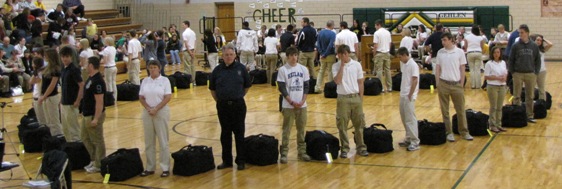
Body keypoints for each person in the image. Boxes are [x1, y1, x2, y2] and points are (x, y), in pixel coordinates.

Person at [209, 44, 251, 171]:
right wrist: (220, 100)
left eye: (231, 54)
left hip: (238, 105)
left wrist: (237, 96)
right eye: (226, 55)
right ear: (222, 56)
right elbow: (212, 89)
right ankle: (227, 161)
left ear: (235, 55)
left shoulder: (241, 69)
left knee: (239, 133)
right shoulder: (217, 70)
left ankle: (241, 161)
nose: (229, 57)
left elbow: (247, 86)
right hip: (222, 106)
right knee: (225, 134)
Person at [435, 32, 473, 142]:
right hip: (443, 84)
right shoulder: (440, 52)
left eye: (445, 40)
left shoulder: (459, 52)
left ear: (451, 40)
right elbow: (438, 68)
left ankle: (464, 131)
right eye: (442, 40)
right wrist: (438, 82)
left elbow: (462, 68)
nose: (443, 42)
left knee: (460, 109)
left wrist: (461, 84)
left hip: (456, 84)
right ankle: (448, 132)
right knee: (445, 110)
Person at [332, 44, 369, 158]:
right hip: (343, 98)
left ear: (347, 54)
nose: (340, 57)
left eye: (342, 55)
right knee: (342, 124)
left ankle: (361, 147)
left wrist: (360, 98)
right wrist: (342, 66)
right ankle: (344, 148)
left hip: (355, 97)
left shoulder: (357, 65)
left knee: (359, 124)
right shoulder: (335, 66)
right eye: (338, 55)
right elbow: (337, 81)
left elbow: (360, 82)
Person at [277, 46, 311, 163]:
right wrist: (291, 101)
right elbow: (281, 88)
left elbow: (306, 86)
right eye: (291, 56)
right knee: (287, 130)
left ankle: (302, 151)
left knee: (301, 129)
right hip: (288, 106)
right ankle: (284, 152)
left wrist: (302, 100)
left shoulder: (304, 69)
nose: (294, 58)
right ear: (287, 57)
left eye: (295, 55)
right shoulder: (283, 70)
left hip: (302, 105)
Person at [139, 60, 172, 177]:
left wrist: (156, 108)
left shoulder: (164, 81)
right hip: (147, 112)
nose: (152, 69)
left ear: (159, 68)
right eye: (150, 67)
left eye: (154, 67)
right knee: (149, 141)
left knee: (163, 140)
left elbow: (168, 96)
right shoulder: (145, 81)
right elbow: (141, 97)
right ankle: (150, 167)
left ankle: (165, 167)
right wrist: (148, 108)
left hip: (161, 111)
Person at [509, 24, 541, 123]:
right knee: (516, 95)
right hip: (517, 73)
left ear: (527, 33)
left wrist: (536, 72)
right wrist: (513, 72)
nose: (520, 35)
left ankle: (529, 115)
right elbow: (511, 60)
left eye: (522, 33)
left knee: (530, 96)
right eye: (519, 33)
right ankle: (517, 115)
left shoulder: (534, 45)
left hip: (530, 74)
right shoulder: (515, 45)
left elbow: (538, 60)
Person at [81, 56, 106, 173]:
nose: (85, 66)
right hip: (86, 114)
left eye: (86, 64)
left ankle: (99, 163)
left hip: (93, 114)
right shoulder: (90, 78)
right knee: (85, 137)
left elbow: (99, 102)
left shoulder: (98, 81)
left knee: (97, 139)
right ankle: (93, 159)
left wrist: (96, 118)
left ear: (91, 65)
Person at [396, 47, 420, 151]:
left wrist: (411, 94)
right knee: (404, 117)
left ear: (405, 55)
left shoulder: (413, 65)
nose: (400, 59)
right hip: (403, 94)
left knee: (410, 119)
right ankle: (408, 137)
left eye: (400, 57)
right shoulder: (404, 65)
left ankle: (415, 141)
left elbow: (415, 80)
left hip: (409, 95)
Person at [59, 46, 83, 142]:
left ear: (71, 57)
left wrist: (78, 100)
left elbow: (81, 85)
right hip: (64, 102)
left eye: (67, 57)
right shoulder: (64, 69)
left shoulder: (74, 69)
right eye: (63, 57)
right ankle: (70, 148)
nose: (65, 59)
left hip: (71, 103)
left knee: (73, 128)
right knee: (65, 128)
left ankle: (77, 147)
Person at [38, 48, 63, 137]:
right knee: (48, 120)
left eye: (46, 55)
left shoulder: (56, 69)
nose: (45, 57)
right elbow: (43, 83)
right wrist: (41, 94)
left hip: (52, 96)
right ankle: (52, 137)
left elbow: (52, 85)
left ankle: (58, 136)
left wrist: (44, 96)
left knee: (54, 120)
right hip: (45, 96)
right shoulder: (47, 68)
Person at [484, 47, 508, 133]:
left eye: (498, 52)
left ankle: (499, 124)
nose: (496, 54)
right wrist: (497, 78)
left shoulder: (503, 63)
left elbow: (505, 72)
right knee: (493, 106)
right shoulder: (489, 64)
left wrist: (504, 77)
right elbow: (486, 76)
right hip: (492, 86)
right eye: (495, 52)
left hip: (502, 86)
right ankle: (492, 125)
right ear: (492, 54)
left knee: (499, 107)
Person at [315, 20, 336, 93]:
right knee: (330, 71)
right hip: (330, 55)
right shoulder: (333, 34)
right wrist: (325, 54)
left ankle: (317, 87)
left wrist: (321, 53)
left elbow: (318, 44)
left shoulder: (320, 33)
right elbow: (331, 45)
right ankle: (330, 88)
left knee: (321, 71)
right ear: (332, 25)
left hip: (322, 55)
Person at [531, 34, 553, 101]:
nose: (539, 41)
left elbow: (550, 44)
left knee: (541, 89)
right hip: (533, 71)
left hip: (542, 71)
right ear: (534, 40)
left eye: (540, 40)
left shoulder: (542, 49)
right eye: (537, 40)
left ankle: (542, 104)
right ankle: (531, 104)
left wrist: (544, 39)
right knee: (531, 89)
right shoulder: (530, 49)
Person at [372, 19, 392, 92]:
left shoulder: (376, 33)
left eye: (375, 25)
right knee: (388, 70)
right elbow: (389, 43)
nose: (375, 27)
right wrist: (387, 50)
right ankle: (389, 87)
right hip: (387, 52)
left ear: (378, 25)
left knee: (379, 70)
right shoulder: (388, 32)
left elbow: (375, 45)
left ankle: (381, 87)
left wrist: (374, 54)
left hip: (379, 53)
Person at [465, 25, 485, 89]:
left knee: (472, 69)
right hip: (478, 52)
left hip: (470, 53)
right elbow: (482, 46)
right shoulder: (480, 38)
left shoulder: (467, 37)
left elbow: (465, 46)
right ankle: (478, 85)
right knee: (477, 69)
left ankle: (473, 85)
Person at [98, 36, 117, 101]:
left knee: (108, 83)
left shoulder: (106, 49)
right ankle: (115, 96)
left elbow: (105, 61)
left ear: (107, 42)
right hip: (114, 66)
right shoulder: (113, 48)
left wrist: (99, 61)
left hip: (108, 67)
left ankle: (110, 98)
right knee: (113, 82)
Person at [30, 57, 45, 124]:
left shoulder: (41, 73)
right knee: (39, 118)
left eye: (33, 63)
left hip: (39, 97)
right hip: (36, 96)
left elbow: (31, 81)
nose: (32, 65)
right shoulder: (38, 73)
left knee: (42, 119)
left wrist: (35, 72)